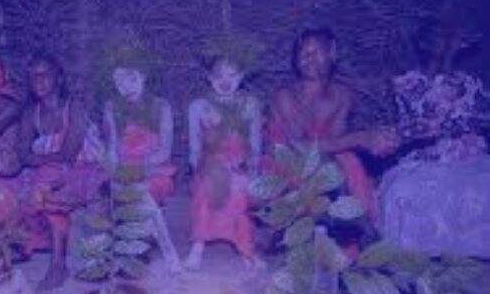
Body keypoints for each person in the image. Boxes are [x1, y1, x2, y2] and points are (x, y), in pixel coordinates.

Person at [0, 52, 104, 290]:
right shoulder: (32, 113)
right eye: (33, 76)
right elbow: (21, 150)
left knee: (46, 185)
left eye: (45, 75)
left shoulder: (74, 107)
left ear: (59, 78)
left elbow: (68, 154)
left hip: (82, 170)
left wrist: (29, 159)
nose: (38, 81)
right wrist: (13, 164)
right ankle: (1, 257)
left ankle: (58, 265)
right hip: (45, 169)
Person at [379, 19, 490, 256]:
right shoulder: (407, 83)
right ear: (425, 43)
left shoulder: (469, 83)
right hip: (427, 158)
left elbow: (479, 118)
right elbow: (424, 119)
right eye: (441, 39)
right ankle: (415, 261)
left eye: (449, 39)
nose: (447, 43)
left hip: (468, 157)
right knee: (405, 191)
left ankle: (472, 262)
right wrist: (445, 60)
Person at [267, 28, 399, 228]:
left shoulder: (342, 95)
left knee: (349, 161)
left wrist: (374, 142)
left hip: (322, 159)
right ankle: (341, 226)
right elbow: (298, 148)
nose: (309, 58)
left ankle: (358, 227)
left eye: (317, 51)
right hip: (286, 164)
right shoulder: (286, 96)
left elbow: (335, 141)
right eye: (303, 53)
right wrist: (360, 138)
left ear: (332, 54)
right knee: (335, 165)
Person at [185, 55, 263, 271]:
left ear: (241, 76)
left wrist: (252, 172)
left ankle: (246, 250)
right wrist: (202, 168)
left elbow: (255, 146)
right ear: (209, 78)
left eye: (231, 75)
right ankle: (198, 246)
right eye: (218, 76)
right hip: (210, 165)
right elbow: (194, 150)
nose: (225, 81)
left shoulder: (250, 105)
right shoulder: (198, 106)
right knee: (207, 185)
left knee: (238, 186)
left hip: (240, 166)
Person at [103, 52, 175, 203]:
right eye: (120, 83)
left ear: (143, 76)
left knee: (145, 188)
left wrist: (139, 168)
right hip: (123, 168)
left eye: (132, 79)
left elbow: (164, 152)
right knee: (112, 187)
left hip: (152, 167)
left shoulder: (161, 106)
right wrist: (116, 169)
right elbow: (111, 148)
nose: (127, 87)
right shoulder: (111, 107)